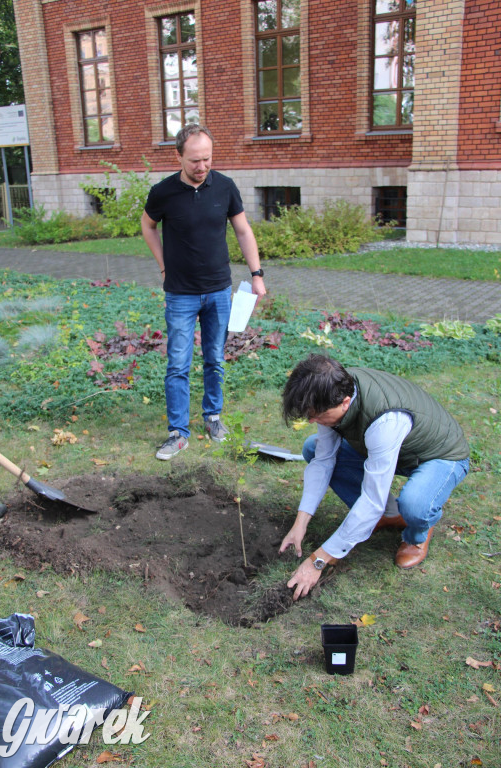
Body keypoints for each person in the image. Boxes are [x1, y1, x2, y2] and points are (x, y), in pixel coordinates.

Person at [279, 355, 469, 601]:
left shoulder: (385, 421)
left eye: (317, 416)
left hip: (439, 455)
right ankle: (390, 515)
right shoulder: (330, 389)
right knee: (313, 448)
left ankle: (417, 535)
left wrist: (318, 560)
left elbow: (371, 498)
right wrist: (300, 523)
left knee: (416, 504)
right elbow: (324, 460)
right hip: (392, 449)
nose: (312, 421)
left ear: (345, 403)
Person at [141, 125, 266, 460]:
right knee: (178, 364)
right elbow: (147, 225)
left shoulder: (224, 186)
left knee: (215, 359)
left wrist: (257, 274)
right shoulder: (163, 192)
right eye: (195, 160)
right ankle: (178, 433)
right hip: (180, 293)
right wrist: (163, 264)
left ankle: (213, 419)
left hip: (218, 292)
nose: (202, 166)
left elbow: (242, 230)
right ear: (179, 156)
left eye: (207, 159)